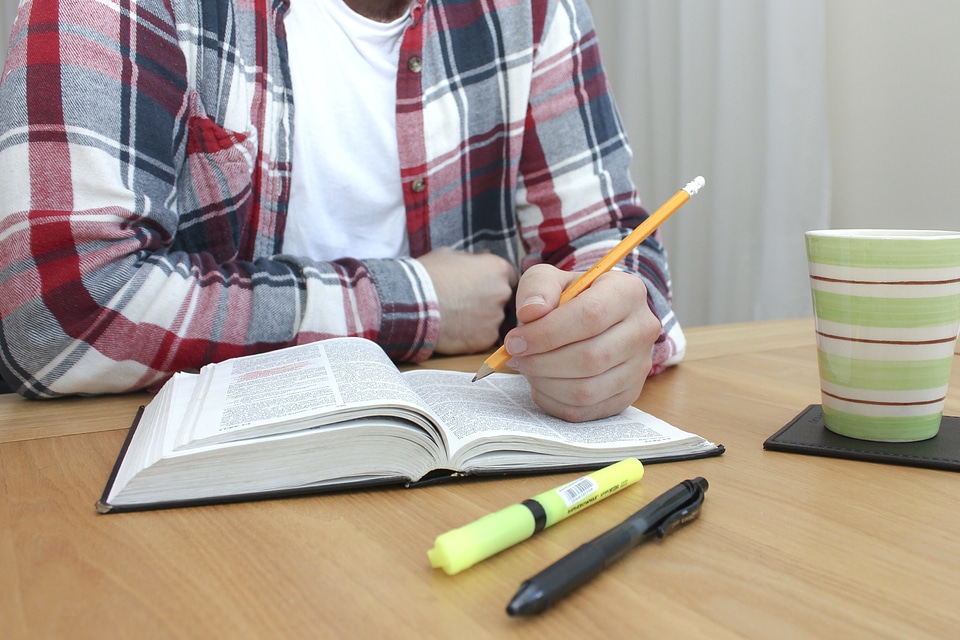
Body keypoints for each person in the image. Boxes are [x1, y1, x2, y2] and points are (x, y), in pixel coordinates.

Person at [0, 0, 684, 421]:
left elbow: (607, 237)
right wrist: (417, 301)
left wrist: (610, 323)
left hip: (458, 473)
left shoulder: (533, 9)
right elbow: (60, 317)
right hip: (146, 487)